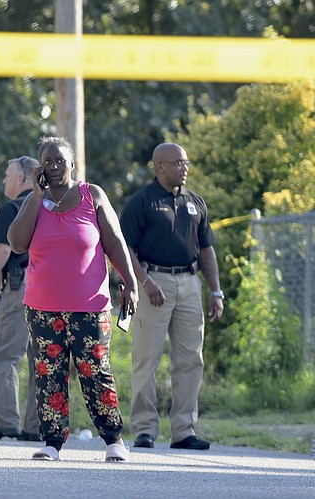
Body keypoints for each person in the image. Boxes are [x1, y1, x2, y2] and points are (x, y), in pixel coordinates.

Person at [7, 136, 137, 462]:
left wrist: (131, 282)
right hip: (42, 308)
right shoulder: (35, 201)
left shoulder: (91, 196)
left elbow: (116, 242)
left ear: (72, 163)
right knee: (48, 373)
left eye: (59, 160)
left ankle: (113, 440)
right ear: (39, 167)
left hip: (90, 307)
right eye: (47, 162)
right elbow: (17, 242)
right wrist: (36, 196)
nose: (53, 167)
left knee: (95, 371)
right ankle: (51, 443)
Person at [119, 142, 224, 451]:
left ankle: (183, 429)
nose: (184, 168)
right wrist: (144, 281)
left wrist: (215, 290)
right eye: (178, 163)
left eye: (186, 162)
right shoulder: (142, 201)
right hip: (154, 282)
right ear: (159, 167)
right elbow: (125, 248)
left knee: (191, 359)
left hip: (190, 283)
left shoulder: (196, 202)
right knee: (146, 358)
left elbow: (206, 250)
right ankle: (145, 428)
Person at [0, 156, 41, 442]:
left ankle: (6, 421)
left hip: (22, 284)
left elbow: (2, 251)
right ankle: (38, 426)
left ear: (22, 179)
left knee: (4, 355)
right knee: (41, 358)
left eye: (7, 175)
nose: (3, 181)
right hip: (52, 286)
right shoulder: (50, 207)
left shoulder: (13, 208)